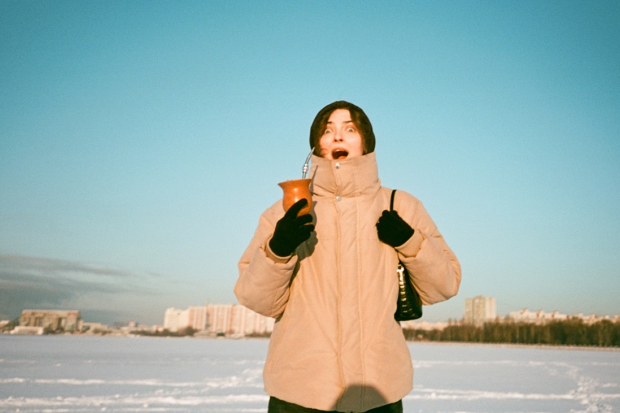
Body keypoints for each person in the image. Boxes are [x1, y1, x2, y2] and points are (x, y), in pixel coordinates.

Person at [235, 101, 461, 412]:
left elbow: (445, 284)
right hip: (300, 395)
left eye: (349, 129)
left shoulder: (401, 205)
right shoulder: (285, 212)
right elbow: (256, 299)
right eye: (328, 130)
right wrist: (278, 250)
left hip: (378, 393)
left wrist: (409, 241)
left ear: (366, 141)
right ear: (317, 145)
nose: (338, 136)